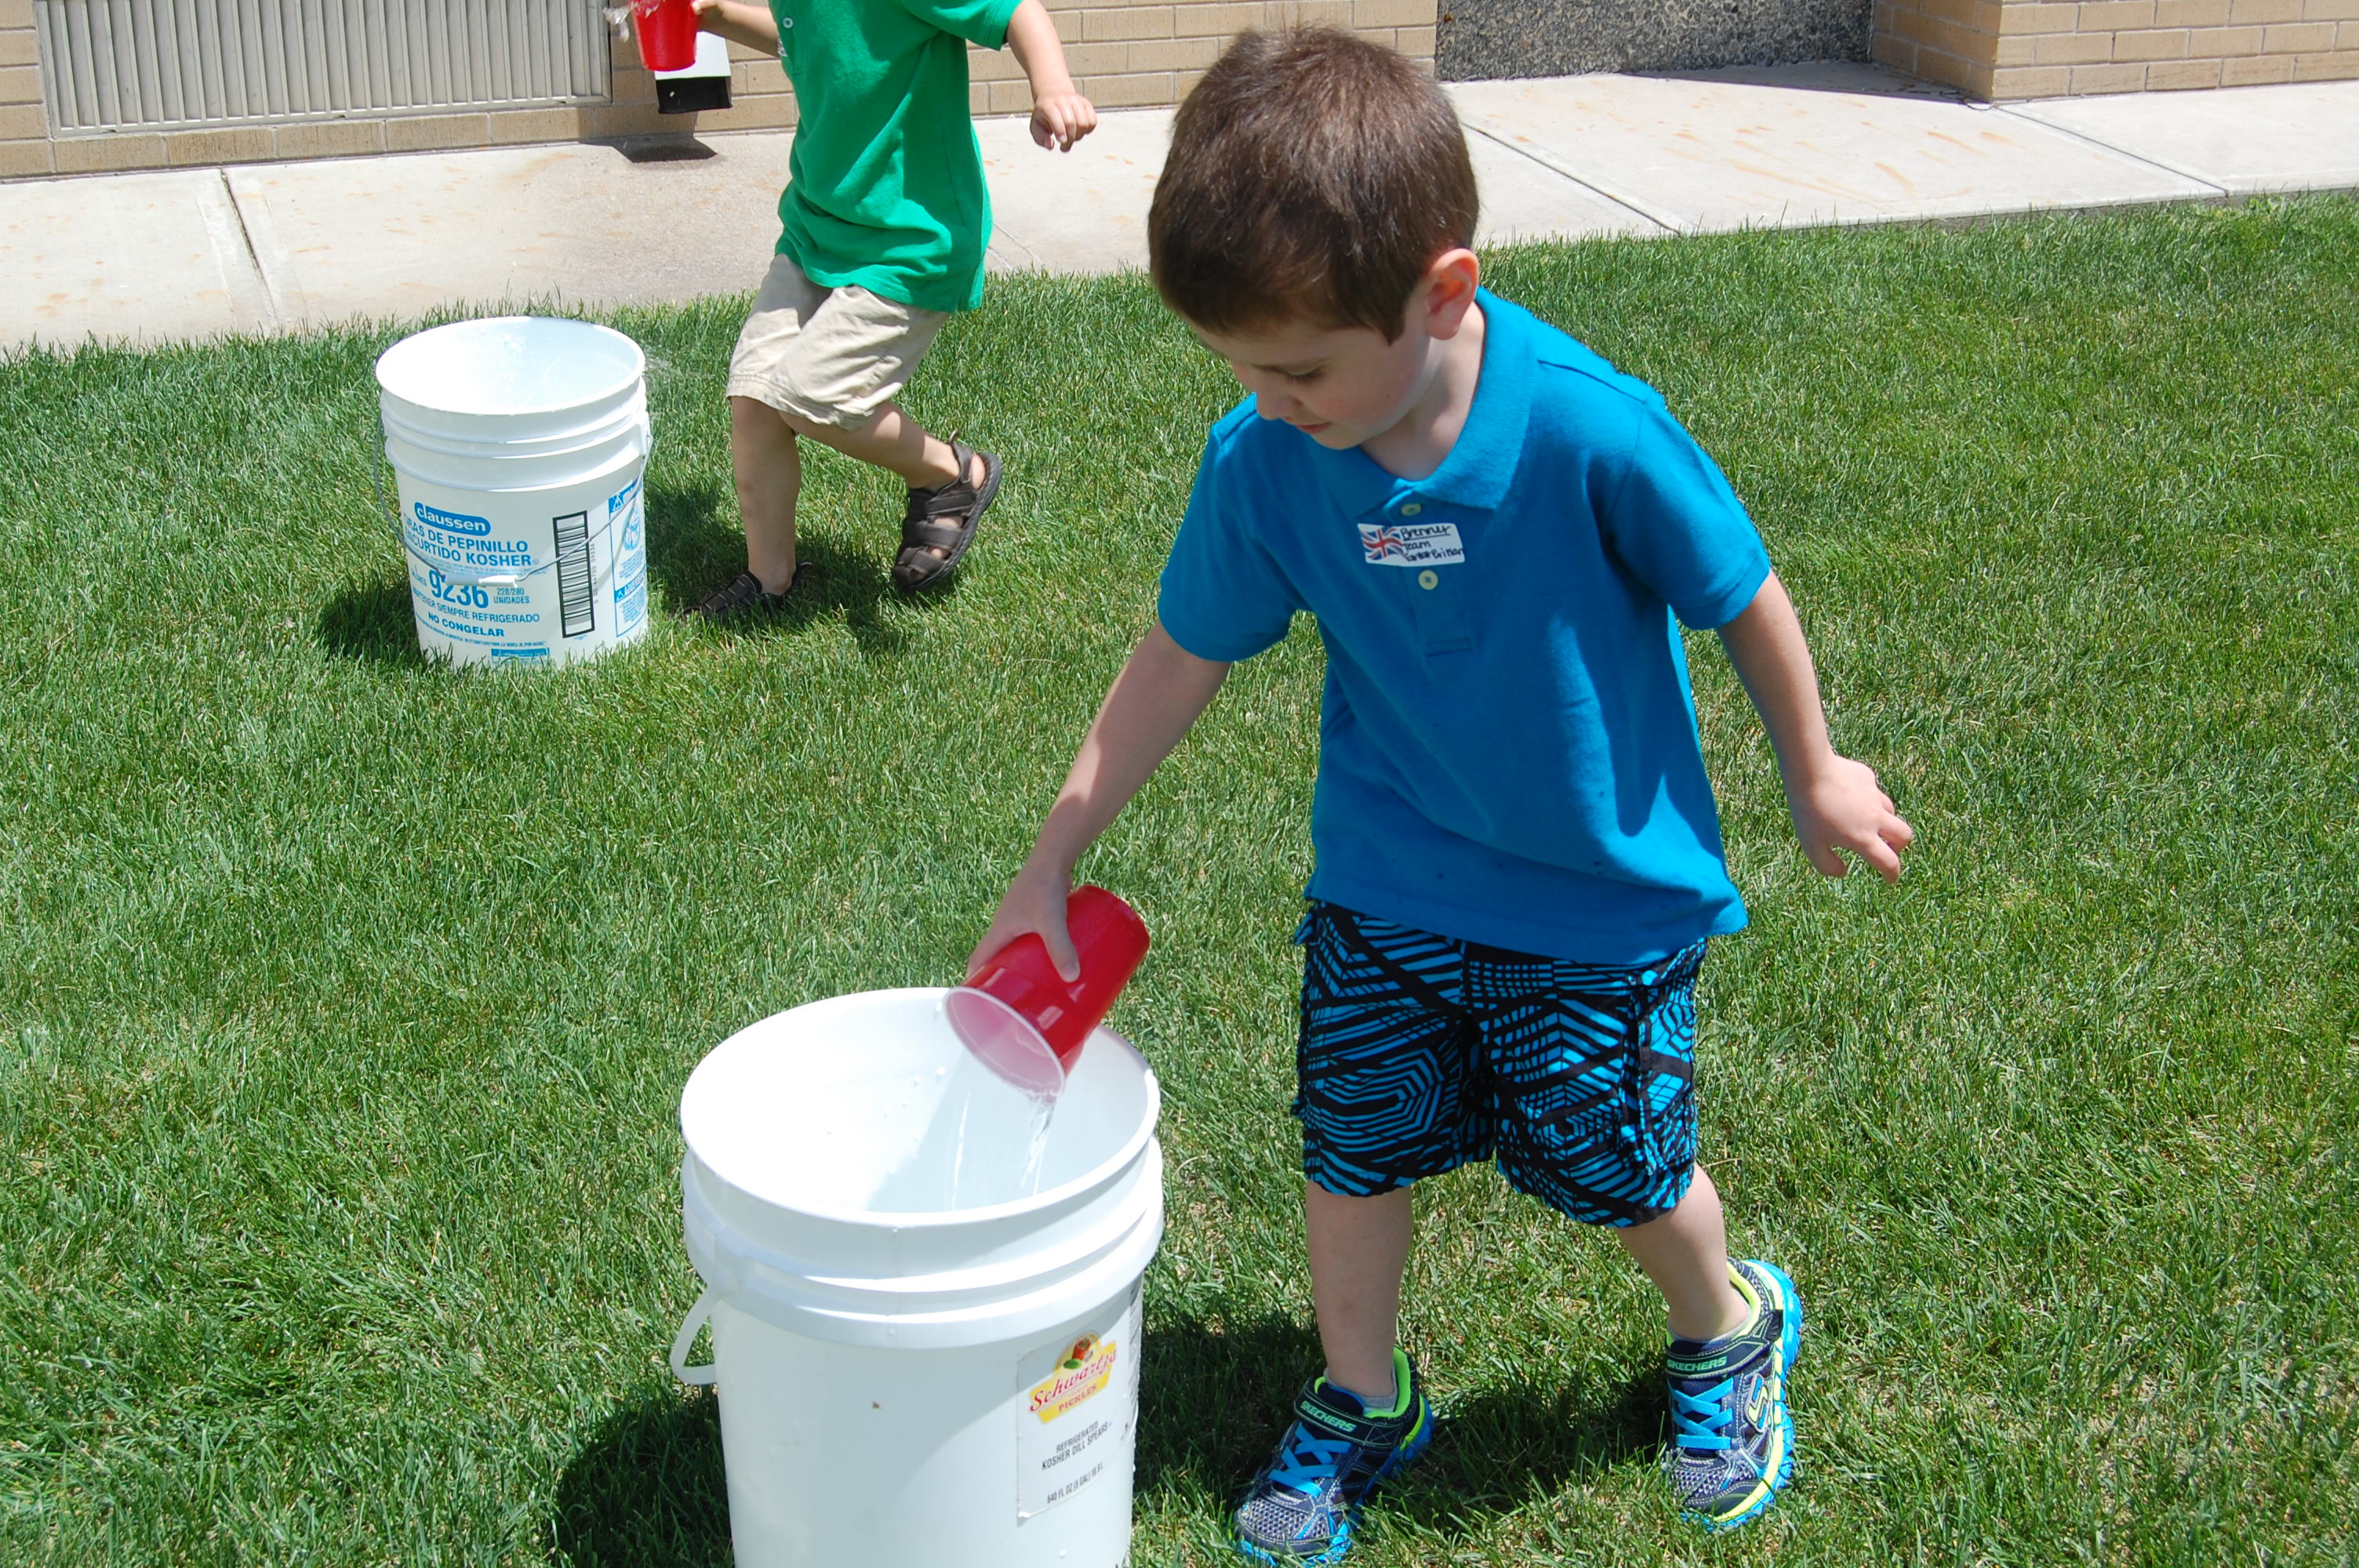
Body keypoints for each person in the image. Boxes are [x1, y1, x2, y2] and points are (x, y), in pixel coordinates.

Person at [965, 27, 1914, 1560]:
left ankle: (1724, 1324)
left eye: (1298, 369)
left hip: (1596, 895)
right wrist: (1051, 852)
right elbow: (1172, 661)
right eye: (1237, 370)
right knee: (1355, 1144)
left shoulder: (1590, 424)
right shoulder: (1268, 460)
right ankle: (1362, 1388)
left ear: (1442, 292)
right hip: (1386, 875)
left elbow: (1737, 586)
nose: (1269, 402)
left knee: (1617, 1161)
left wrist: (1814, 765)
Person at [683, 0, 1096, 615]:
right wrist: (714, 17)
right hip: (817, 227)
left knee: (816, 396)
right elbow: (814, 42)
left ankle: (950, 474)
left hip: (909, 238)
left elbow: (1016, 12)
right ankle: (770, 581)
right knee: (756, 398)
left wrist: (1052, 86)